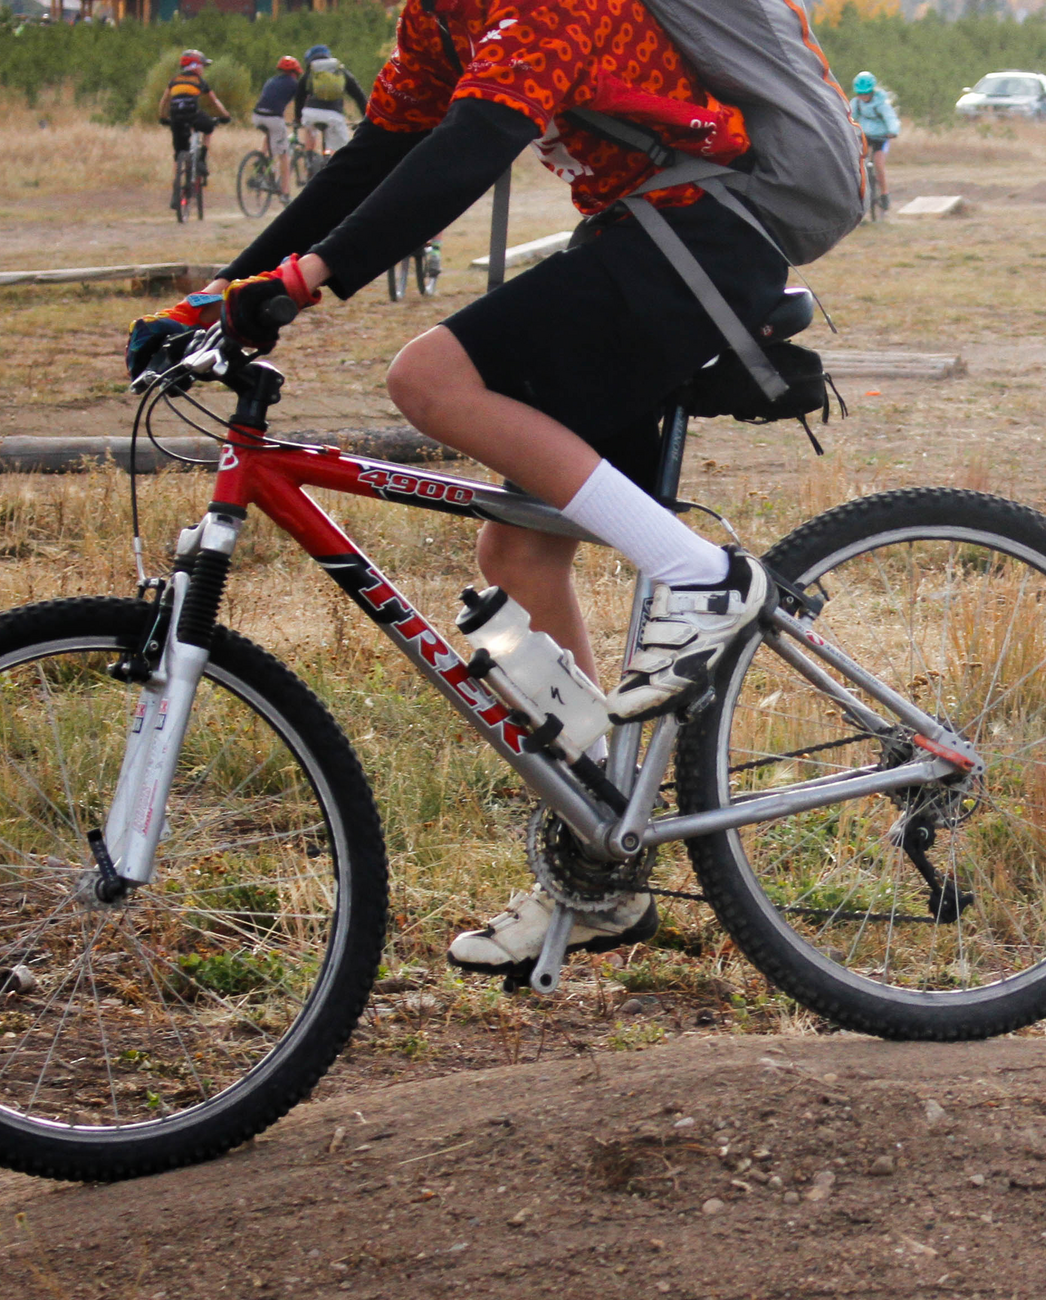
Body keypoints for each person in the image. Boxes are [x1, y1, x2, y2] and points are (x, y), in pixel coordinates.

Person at [126, 0, 807, 976]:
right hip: (644, 238)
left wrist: (306, 282)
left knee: (426, 378)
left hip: (701, 239)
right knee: (518, 554)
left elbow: (472, 149)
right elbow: (381, 155)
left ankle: (697, 572)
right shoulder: (438, 16)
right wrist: (221, 295)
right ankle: (600, 864)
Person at [158, 49, 232, 205]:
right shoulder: (199, 81)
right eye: (202, 66)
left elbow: (164, 101)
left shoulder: (174, 80)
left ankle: (176, 192)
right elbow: (214, 101)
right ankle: (202, 159)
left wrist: (163, 117)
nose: (203, 69)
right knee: (209, 126)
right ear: (195, 66)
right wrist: (226, 116)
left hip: (176, 116)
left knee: (179, 154)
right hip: (192, 114)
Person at [299, 44, 367, 156]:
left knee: (310, 130)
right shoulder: (340, 72)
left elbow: (300, 95)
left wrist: (298, 116)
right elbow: (358, 96)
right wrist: (366, 117)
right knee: (341, 149)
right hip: (334, 116)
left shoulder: (311, 72)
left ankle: (309, 159)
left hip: (311, 114)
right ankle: (333, 162)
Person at [254, 54, 305, 193]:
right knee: (284, 155)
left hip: (257, 115)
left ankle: (260, 160)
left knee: (270, 134)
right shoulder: (295, 84)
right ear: (295, 72)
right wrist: (301, 119)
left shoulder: (271, 80)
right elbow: (301, 104)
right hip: (273, 118)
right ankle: (285, 192)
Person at [849, 70, 898, 210]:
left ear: (872, 91)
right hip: (865, 136)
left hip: (881, 138)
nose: (863, 96)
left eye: (866, 93)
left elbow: (891, 118)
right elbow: (849, 117)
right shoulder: (856, 103)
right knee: (856, 160)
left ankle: (884, 193)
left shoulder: (882, 104)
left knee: (878, 164)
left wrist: (892, 131)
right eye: (860, 93)